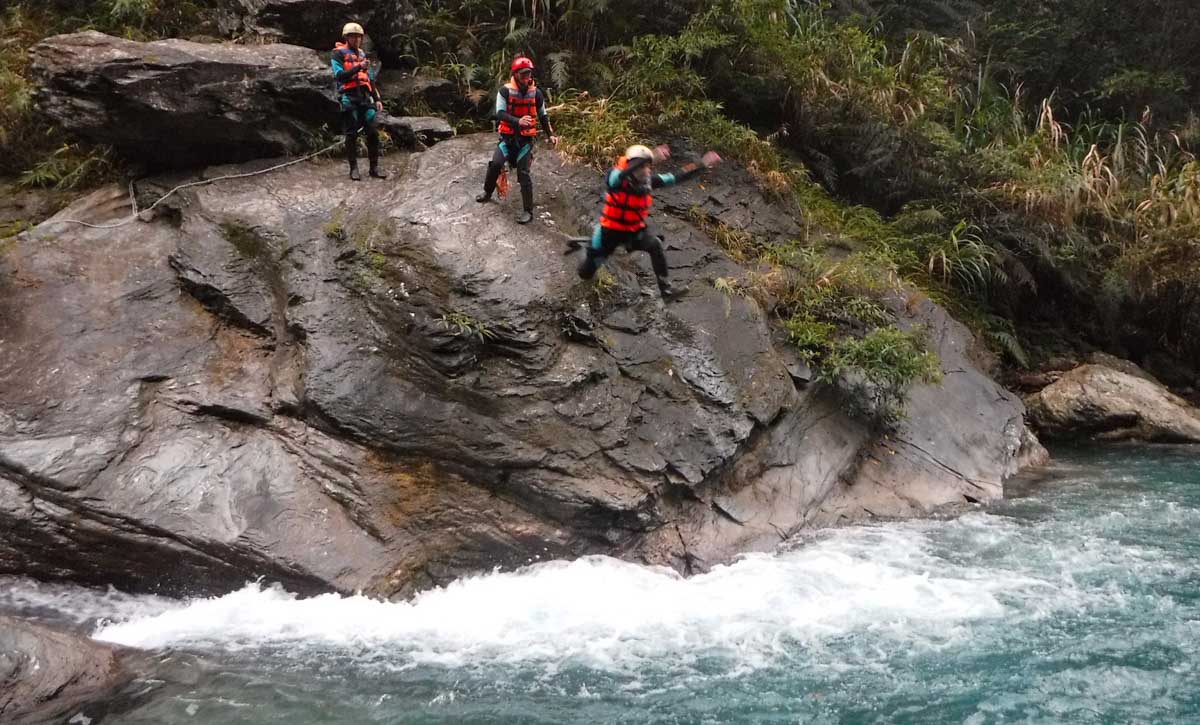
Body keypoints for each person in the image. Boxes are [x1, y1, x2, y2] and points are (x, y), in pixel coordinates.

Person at [577, 144, 721, 299]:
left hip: (633, 232)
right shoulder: (616, 178)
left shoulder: (649, 181)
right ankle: (583, 247)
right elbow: (621, 175)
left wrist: (702, 164)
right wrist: (650, 155)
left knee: (654, 245)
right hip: (609, 233)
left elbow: (676, 176)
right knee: (585, 274)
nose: (647, 170)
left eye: (649, 167)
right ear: (633, 166)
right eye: (643, 167)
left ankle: (666, 290)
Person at [475, 56, 559, 224]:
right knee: (496, 164)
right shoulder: (505, 91)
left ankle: (528, 211)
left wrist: (551, 134)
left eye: (529, 74)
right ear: (515, 75)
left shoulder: (536, 94)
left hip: (525, 142)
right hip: (507, 140)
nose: (527, 77)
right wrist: (517, 121)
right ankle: (487, 192)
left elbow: (543, 115)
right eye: (523, 74)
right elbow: (499, 113)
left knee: (524, 174)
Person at [331, 22, 387, 181]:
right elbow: (340, 75)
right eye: (353, 36)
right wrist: (358, 67)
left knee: (372, 132)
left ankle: (374, 168)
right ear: (347, 38)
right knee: (351, 134)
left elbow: (369, 78)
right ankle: (353, 169)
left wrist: (377, 99)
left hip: (364, 97)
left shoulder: (362, 55)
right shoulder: (338, 54)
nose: (356, 39)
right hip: (349, 97)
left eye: (359, 37)